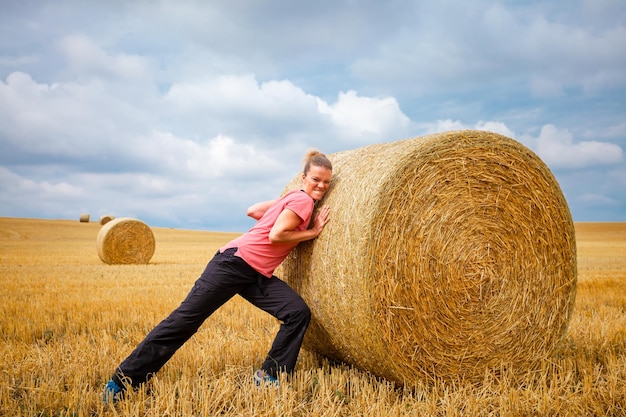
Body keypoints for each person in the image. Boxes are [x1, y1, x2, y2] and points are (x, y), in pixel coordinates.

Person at [104, 150, 333, 403]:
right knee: (185, 321)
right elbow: (276, 235)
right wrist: (312, 231)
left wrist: (283, 203)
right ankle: (122, 381)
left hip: (255, 272)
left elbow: (253, 210)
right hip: (233, 265)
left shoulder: (292, 197)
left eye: (326, 182)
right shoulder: (303, 202)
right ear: (303, 178)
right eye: (315, 180)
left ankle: (270, 376)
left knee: (296, 312)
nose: (321, 186)